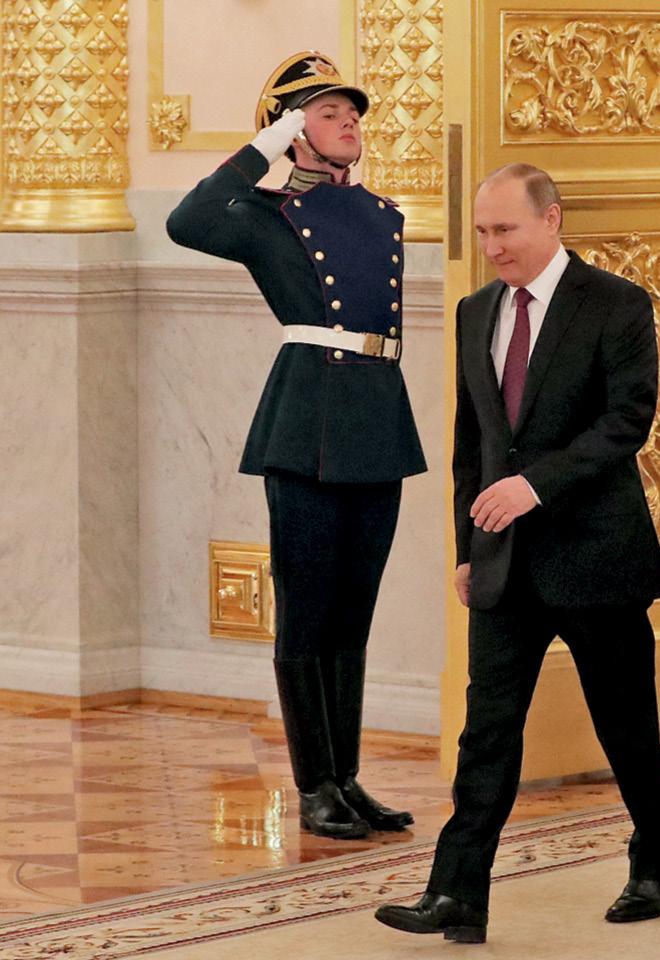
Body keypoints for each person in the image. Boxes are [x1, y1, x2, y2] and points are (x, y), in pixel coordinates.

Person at [374, 164, 660, 942]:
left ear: (552, 219)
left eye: (505, 229)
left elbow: (626, 423)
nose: (492, 246)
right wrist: (467, 546)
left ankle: (657, 859)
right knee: (485, 730)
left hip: (597, 556)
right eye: (482, 232)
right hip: (504, 562)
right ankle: (456, 892)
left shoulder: (617, 304)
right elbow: (472, 446)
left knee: (625, 724)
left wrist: (533, 487)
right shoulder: (476, 310)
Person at [166, 52, 426, 840]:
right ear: (291, 131)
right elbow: (187, 221)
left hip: (376, 416)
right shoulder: (268, 216)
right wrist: (265, 147)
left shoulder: (382, 214)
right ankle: (314, 786)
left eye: (352, 113)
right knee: (307, 616)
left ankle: (346, 778)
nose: (349, 122)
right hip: (307, 421)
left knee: (353, 617)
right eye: (326, 113)